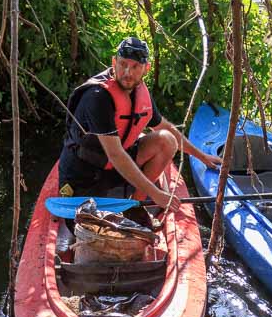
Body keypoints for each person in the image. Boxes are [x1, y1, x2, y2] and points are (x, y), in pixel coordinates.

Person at [57, 36, 222, 207]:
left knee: (167, 139)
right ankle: (133, 198)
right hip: (84, 173)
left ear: (146, 69)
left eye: (135, 67)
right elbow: (115, 154)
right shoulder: (98, 96)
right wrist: (156, 194)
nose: (128, 72)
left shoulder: (138, 90)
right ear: (114, 62)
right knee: (91, 229)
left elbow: (164, 126)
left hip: (116, 169)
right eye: (123, 64)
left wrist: (202, 157)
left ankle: (137, 203)